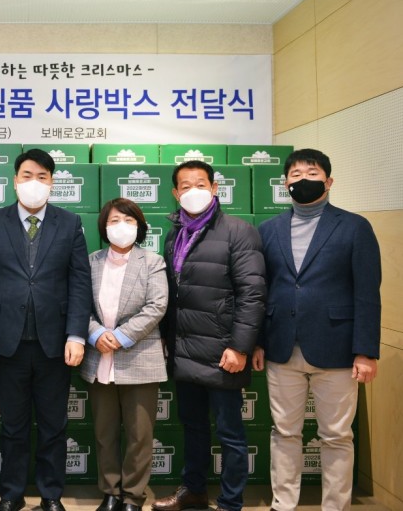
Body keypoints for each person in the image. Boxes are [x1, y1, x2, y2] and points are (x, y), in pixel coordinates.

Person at [252, 148, 381, 511]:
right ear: (285, 183)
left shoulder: (354, 226)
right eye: (295, 175)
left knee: (337, 436)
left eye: (312, 173)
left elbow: (367, 292)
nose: (303, 180)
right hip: (281, 346)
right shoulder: (268, 229)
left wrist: (366, 351)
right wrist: (258, 341)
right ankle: (283, 504)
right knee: (284, 432)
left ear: (329, 181)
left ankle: (335, 507)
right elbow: (260, 290)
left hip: (337, 347)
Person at [0, 148, 92, 511]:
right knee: (12, 425)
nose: (34, 182)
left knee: (54, 425)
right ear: (14, 181)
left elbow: (79, 283)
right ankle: (11, 494)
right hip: (7, 342)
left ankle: (51, 495)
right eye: (27, 175)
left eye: (42, 176)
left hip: (55, 343)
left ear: (52, 183)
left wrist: (76, 334)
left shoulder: (70, 223)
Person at [152, 161, 265, 511]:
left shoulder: (239, 231)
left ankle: (231, 501)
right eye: (185, 186)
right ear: (175, 193)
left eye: (200, 184)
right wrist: (167, 337)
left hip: (223, 352)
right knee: (193, 427)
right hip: (184, 349)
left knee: (230, 433)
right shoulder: (174, 234)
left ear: (215, 188)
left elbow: (252, 294)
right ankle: (194, 490)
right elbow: (171, 293)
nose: (193, 191)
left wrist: (240, 346)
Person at [78, 198, 168, 511]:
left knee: (139, 434)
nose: (121, 226)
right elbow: (79, 305)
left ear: (140, 227)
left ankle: (133, 496)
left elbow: (157, 305)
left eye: (129, 220)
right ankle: (110, 492)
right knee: (104, 433)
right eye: (114, 220)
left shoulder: (152, 261)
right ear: (104, 227)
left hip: (139, 357)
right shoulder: (91, 262)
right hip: (98, 357)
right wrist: (95, 333)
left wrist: (119, 336)